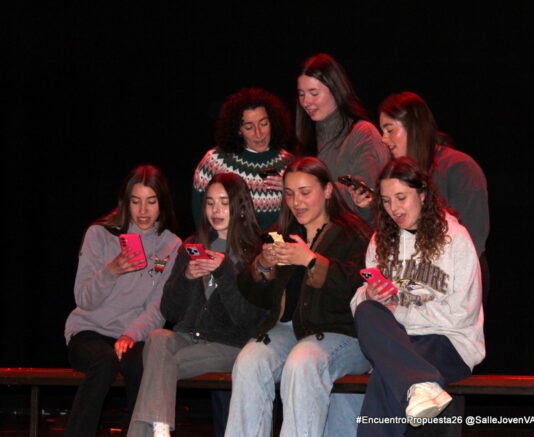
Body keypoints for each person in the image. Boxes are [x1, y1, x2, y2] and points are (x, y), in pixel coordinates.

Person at [225, 157, 372, 437]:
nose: (296, 202)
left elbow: (358, 289)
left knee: (303, 361)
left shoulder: (353, 233)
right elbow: (253, 295)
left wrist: (311, 261)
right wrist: (263, 265)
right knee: (249, 362)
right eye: (290, 194)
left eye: (305, 192)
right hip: (289, 331)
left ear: (327, 191)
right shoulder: (281, 232)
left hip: (343, 334)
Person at [350, 157, 485, 437]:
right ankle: (421, 384)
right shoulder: (380, 240)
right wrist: (369, 295)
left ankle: (418, 382)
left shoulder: (455, 237)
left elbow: (462, 314)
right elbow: (360, 309)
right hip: (400, 342)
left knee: (384, 378)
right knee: (365, 310)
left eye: (401, 198)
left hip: (447, 341)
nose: (394, 209)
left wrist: (399, 310)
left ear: (422, 194)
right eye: (386, 201)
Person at [127, 173, 268, 437]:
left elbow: (248, 320)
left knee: (161, 364)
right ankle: (159, 430)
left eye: (224, 203)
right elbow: (170, 311)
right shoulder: (192, 245)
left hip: (230, 344)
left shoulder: (256, 253)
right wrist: (186, 277)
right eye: (210, 203)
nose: (216, 210)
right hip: (189, 337)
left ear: (240, 208)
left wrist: (225, 271)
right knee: (157, 338)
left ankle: (155, 430)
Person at [64, 164, 181, 437]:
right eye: (136, 201)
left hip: (134, 335)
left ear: (162, 203)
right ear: (125, 202)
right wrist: (112, 270)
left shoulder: (171, 244)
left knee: (141, 365)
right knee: (104, 363)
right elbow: (83, 298)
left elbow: (158, 308)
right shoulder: (100, 234)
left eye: (151, 202)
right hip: (90, 331)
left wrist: (131, 334)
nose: (143, 211)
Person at [378, 91, 489, 269]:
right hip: (414, 275)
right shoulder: (397, 176)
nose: (383, 139)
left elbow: (473, 234)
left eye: (390, 130)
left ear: (414, 126)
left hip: (455, 275)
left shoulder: (459, 167)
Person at [296, 53, 391, 221]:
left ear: (336, 90)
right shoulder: (307, 137)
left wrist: (304, 188)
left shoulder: (363, 134)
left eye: (314, 93)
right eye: (301, 94)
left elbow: (367, 200)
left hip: (353, 234)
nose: (306, 102)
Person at [192, 88, 294, 230]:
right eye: (249, 127)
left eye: (264, 124)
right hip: (228, 242)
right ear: (238, 130)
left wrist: (291, 190)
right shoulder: (214, 162)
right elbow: (200, 215)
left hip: (276, 242)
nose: (258, 133)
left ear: (273, 123)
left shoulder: (289, 164)